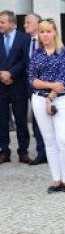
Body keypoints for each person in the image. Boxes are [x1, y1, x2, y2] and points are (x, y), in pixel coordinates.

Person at [28, 19, 65, 193]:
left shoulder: (64, 52)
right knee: (49, 141)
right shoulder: (36, 54)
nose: (45, 35)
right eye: (42, 32)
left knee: (64, 140)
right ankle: (56, 179)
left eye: (48, 31)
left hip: (61, 100)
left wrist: (50, 97)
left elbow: (63, 80)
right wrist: (50, 87)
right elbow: (32, 80)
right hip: (39, 101)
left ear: (55, 32)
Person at [0, 9, 31, 163]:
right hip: (1, 86)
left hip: (18, 85)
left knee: (21, 120)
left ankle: (23, 151)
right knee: (2, 120)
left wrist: (11, 74)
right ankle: (4, 151)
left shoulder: (24, 38)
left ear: (12, 23)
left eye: (2, 22)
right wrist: (2, 75)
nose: (0, 25)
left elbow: (26, 61)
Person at [23, 12, 47, 165]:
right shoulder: (25, 42)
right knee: (37, 120)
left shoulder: (47, 41)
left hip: (47, 86)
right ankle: (41, 152)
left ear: (38, 24)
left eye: (28, 22)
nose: (25, 25)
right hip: (30, 86)